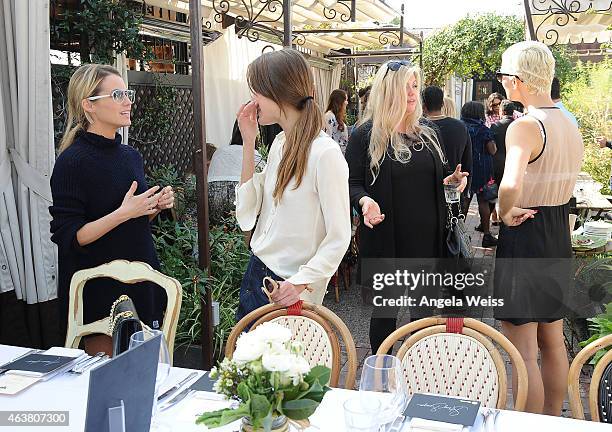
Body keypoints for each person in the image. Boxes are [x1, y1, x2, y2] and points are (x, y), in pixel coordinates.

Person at [49, 64, 174, 355]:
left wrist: (152, 206)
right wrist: (125, 212)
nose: (128, 101)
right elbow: (71, 237)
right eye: (117, 94)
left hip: (142, 277)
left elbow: (133, 222)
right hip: (99, 288)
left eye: (127, 93)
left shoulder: (130, 156)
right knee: (108, 381)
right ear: (88, 105)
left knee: (146, 377)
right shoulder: (72, 162)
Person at [346, 60, 468, 354]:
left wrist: (451, 181)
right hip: (387, 238)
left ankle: (417, 371)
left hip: (426, 240)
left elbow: (436, 181)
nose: (413, 93)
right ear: (388, 91)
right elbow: (351, 184)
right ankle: (382, 369)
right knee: (384, 315)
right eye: (405, 86)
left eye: (415, 86)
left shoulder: (427, 132)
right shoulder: (366, 135)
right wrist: (364, 201)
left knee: (422, 318)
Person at [494, 41, 584, 415]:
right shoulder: (568, 121)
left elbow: (511, 183)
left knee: (523, 352)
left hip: (526, 232)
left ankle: (525, 425)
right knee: (552, 337)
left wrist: (503, 209)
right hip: (557, 232)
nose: (501, 83)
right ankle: (551, 420)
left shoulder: (526, 126)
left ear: (516, 81)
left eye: (502, 76)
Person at [234, 49, 351, 321]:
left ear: (278, 92)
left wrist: (298, 283)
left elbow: (339, 236)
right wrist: (248, 141)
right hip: (258, 272)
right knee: (245, 360)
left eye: (257, 92)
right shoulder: (280, 144)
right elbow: (248, 211)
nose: (253, 101)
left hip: (291, 287)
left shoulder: (325, 154)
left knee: (289, 363)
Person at [207, 120, 263, 225]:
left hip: (212, 192)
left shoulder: (220, 152)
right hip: (238, 193)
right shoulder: (256, 155)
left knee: (219, 230)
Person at [461, 101, 498, 247]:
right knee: (483, 201)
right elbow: (492, 150)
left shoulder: (460, 127)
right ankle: (487, 235)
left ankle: (459, 233)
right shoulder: (483, 129)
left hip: (463, 169)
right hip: (482, 170)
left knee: (465, 200)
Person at [422, 85, 473, 177]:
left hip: (427, 186)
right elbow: (467, 162)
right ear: (442, 104)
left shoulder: (418, 128)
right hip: (454, 184)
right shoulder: (460, 126)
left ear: (423, 105)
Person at [490, 100, 517, 224]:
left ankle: (495, 216)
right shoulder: (518, 125)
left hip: (498, 161)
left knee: (496, 190)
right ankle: (506, 215)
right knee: (510, 190)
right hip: (514, 161)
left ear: (502, 111)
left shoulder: (496, 126)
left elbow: (492, 145)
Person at [324, 89, 349, 154]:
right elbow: (327, 138)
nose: (347, 103)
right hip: (334, 156)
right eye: (346, 100)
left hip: (340, 155)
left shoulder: (337, 116)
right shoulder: (329, 116)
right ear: (340, 101)